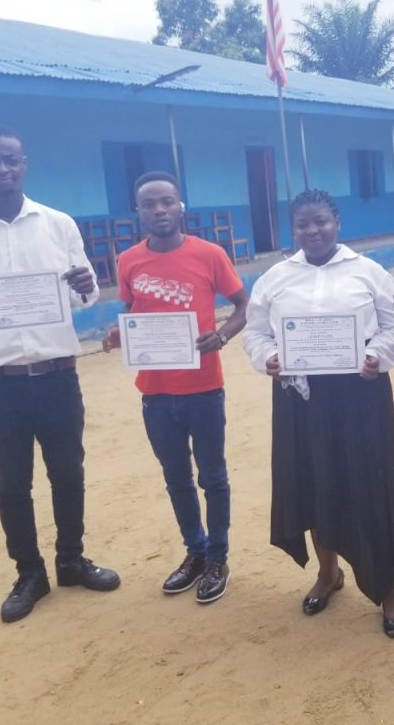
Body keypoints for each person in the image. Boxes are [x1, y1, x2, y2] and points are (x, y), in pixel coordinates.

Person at [0, 125, 119, 624]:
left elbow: (85, 295)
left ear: (24, 164)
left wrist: (88, 285)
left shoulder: (58, 225)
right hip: (0, 382)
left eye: (10, 160)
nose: (2, 168)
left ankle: (72, 561)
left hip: (58, 374)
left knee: (68, 473)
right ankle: (29, 573)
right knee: (11, 482)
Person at [241, 189, 394, 638]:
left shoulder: (369, 271)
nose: (312, 231)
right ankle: (328, 572)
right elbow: (256, 334)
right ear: (291, 230)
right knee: (312, 484)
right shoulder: (275, 278)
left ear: (337, 222)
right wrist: (270, 359)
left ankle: (390, 586)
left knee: (369, 485)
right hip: (301, 398)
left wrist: (376, 355)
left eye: (321, 221)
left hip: (361, 394)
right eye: (302, 224)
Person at [104, 171, 248, 604]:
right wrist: (118, 336)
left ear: (180, 206)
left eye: (167, 201)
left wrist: (221, 336)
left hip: (203, 388)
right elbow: (133, 314)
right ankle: (196, 553)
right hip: (156, 392)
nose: (160, 210)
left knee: (213, 477)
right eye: (149, 204)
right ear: (139, 211)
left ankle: (219, 558)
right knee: (176, 478)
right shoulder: (128, 260)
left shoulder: (210, 255)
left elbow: (243, 305)